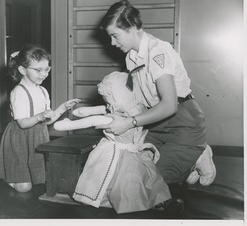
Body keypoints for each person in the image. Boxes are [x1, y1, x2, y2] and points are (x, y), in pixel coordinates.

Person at [97, 0, 216, 190]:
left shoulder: (157, 52)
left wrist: (129, 122)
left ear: (133, 27)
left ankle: (198, 155)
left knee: (152, 184)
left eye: (115, 36)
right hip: (156, 123)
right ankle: (189, 157)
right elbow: (139, 99)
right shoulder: (131, 56)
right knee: (133, 173)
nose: (112, 43)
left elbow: (169, 105)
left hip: (182, 121)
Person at [54, 71, 171, 214]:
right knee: (138, 181)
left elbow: (91, 121)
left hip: (116, 153)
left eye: (109, 101)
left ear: (119, 98)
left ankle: (107, 200)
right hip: (134, 152)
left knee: (111, 178)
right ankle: (144, 201)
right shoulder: (137, 109)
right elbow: (100, 110)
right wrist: (82, 111)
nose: (108, 106)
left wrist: (66, 125)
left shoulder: (116, 119)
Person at [0, 44, 80, 193]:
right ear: (22, 70)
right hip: (20, 137)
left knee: (38, 177)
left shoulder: (42, 91)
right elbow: (22, 123)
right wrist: (39, 116)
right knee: (24, 188)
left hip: (39, 136)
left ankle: (22, 176)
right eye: (38, 70)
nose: (43, 74)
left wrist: (61, 109)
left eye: (47, 69)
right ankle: (9, 176)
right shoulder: (18, 92)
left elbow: (47, 121)